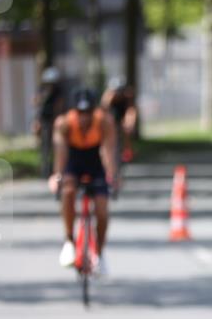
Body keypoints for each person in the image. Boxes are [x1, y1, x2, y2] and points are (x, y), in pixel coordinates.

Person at [48, 88, 117, 276]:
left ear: (93, 111)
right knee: (68, 192)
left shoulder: (104, 121)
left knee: (102, 211)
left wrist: (112, 176)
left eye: (88, 112)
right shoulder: (64, 124)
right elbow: (61, 153)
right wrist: (58, 176)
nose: (84, 117)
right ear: (74, 111)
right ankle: (69, 241)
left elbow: (109, 151)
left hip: (95, 164)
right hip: (73, 162)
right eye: (80, 112)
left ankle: (100, 254)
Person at [32, 67, 65, 178]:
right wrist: (37, 121)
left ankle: (56, 169)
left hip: (54, 121)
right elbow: (35, 103)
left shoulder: (59, 91)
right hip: (43, 120)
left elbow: (59, 106)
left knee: (56, 145)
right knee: (44, 147)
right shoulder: (41, 89)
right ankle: (44, 170)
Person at [101, 77, 138, 164]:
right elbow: (104, 110)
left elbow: (131, 110)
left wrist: (129, 124)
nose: (119, 93)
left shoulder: (127, 95)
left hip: (122, 114)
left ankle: (127, 150)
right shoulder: (108, 96)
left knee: (127, 129)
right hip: (111, 115)